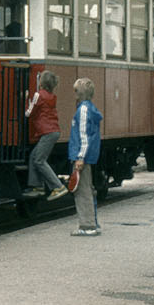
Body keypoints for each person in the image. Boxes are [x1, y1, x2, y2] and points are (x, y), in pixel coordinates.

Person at [21, 70, 66, 200]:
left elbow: (29, 113)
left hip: (47, 133)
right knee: (34, 156)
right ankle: (37, 186)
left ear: (41, 82)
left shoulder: (38, 95)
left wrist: (26, 100)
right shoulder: (51, 96)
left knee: (39, 160)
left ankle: (58, 187)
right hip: (52, 131)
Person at [68, 77, 103, 236]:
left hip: (82, 156)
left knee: (82, 191)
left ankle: (87, 226)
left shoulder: (82, 110)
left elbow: (83, 135)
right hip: (89, 156)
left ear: (78, 93)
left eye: (75, 91)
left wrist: (80, 157)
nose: (73, 94)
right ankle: (93, 222)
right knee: (88, 189)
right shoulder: (91, 108)